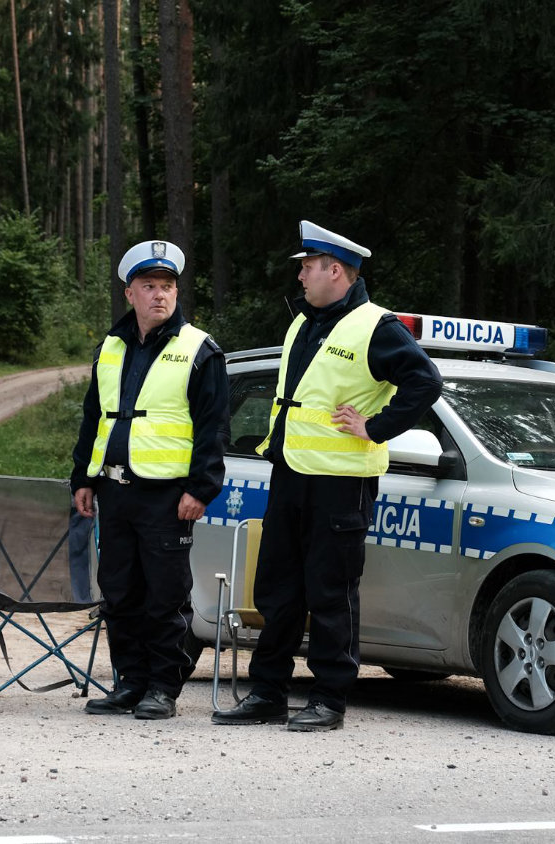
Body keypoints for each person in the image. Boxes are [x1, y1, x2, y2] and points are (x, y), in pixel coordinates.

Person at [212, 220, 442, 731]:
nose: (301, 277)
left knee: (331, 593)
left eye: (308, 268)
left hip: (340, 482)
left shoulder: (376, 326)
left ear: (334, 270)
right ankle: (268, 692)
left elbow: (425, 382)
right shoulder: (304, 323)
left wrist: (376, 427)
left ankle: (329, 699)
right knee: (277, 590)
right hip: (292, 474)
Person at [70, 240, 229, 720]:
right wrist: (83, 476)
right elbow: (94, 416)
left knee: (165, 596)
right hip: (114, 491)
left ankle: (163, 688)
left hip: (167, 497)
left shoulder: (199, 349)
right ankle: (130, 682)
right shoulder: (111, 347)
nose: (160, 295)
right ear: (129, 294)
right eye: (149, 286)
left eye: (168, 286)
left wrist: (201, 488)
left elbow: (213, 427)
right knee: (119, 593)